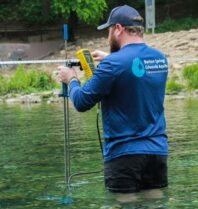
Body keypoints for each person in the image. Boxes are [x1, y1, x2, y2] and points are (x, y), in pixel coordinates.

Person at [57, 5, 169, 198]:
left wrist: (72, 79)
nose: (108, 36)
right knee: (155, 208)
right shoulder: (159, 59)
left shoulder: (114, 63)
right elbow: (135, 69)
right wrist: (111, 59)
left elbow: (82, 101)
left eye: (109, 30)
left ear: (118, 29)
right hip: (157, 151)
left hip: (124, 154)